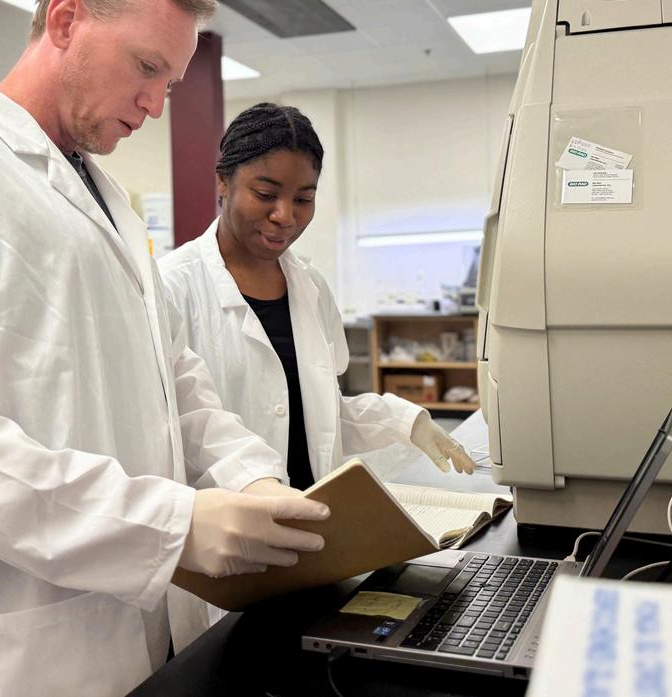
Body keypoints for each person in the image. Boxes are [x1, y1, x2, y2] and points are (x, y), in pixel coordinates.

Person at [0, 0, 329, 697]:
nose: (155, 104)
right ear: (66, 20)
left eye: (169, 82)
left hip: (118, 626)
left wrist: (252, 478)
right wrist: (171, 524)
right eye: (147, 67)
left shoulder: (109, 204)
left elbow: (174, 382)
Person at [158, 103, 476, 642]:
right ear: (223, 182)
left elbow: (315, 413)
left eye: (303, 199)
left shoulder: (309, 286)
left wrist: (406, 421)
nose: (285, 215)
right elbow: (182, 425)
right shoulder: (171, 286)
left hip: (315, 551)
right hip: (228, 560)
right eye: (265, 193)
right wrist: (255, 481)